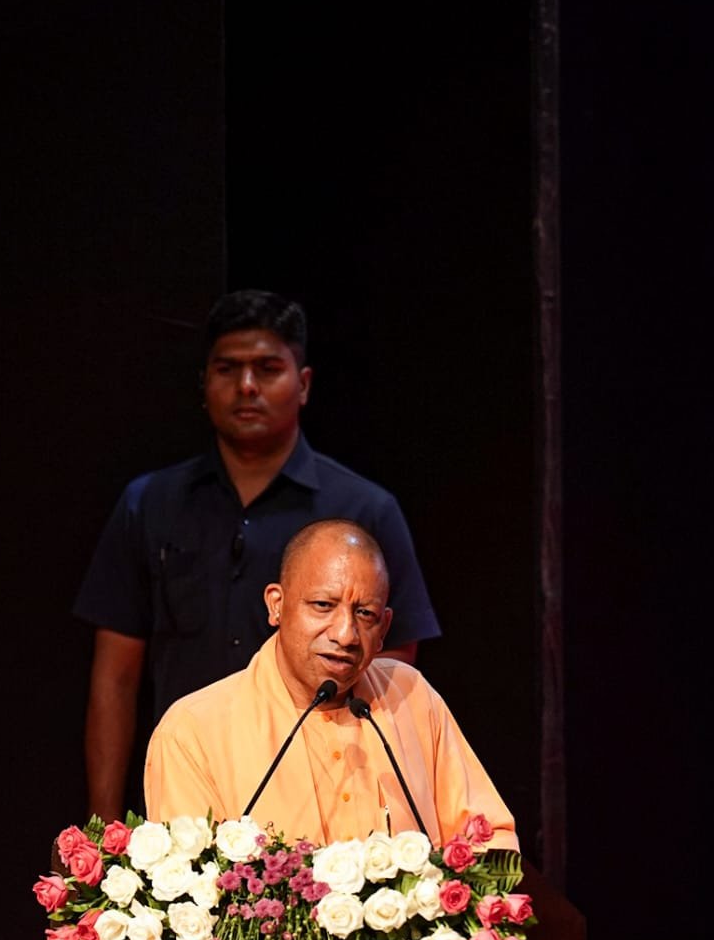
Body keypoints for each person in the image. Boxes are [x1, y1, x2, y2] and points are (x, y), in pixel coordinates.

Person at [75, 290, 440, 821]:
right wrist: (103, 830)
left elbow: (390, 669)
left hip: (325, 809)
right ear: (204, 383)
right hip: (186, 794)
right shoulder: (150, 504)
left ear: (304, 384)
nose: (247, 386)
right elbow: (115, 677)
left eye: (268, 369)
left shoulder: (364, 511)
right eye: (228, 369)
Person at [144, 519, 517, 851]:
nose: (346, 634)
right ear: (276, 605)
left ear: (384, 628)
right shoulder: (194, 731)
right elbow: (192, 887)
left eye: (365, 614)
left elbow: (488, 840)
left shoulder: (409, 695)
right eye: (323, 605)